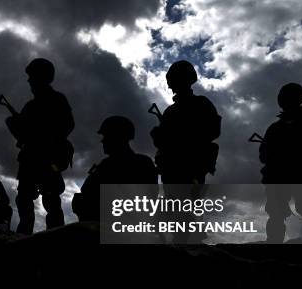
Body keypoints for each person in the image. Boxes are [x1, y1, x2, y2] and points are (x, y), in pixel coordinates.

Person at [150, 60, 221, 243]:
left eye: (174, 79)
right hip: (171, 168)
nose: (171, 84)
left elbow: (213, 132)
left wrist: (182, 134)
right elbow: (163, 144)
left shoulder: (201, 104)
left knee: (185, 213)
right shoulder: (170, 111)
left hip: (191, 168)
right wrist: (159, 135)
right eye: (171, 80)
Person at [6, 58, 75, 234]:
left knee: (51, 199)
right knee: (24, 199)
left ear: (41, 77)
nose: (29, 81)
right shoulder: (30, 106)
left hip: (48, 158)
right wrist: (16, 125)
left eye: (32, 77)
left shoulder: (57, 99)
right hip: (30, 158)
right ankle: (24, 234)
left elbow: (67, 125)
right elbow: (22, 134)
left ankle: (55, 235)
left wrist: (46, 137)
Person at [260, 83, 302, 243]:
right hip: (279, 177)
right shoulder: (276, 128)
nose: (285, 102)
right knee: (276, 213)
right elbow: (264, 155)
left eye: (288, 99)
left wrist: (297, 157)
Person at [72, 116, 158, 221]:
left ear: (117, 137)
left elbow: (87, 192)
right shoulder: (144, 162)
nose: (102, 141)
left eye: (106, 136)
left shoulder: (108, 165)